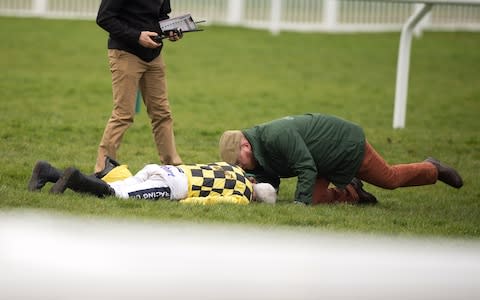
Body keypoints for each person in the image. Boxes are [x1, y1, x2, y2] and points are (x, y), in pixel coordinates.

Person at [218, 113, 463, 205]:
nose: (241, 168)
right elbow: (269, 178)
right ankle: (353, 192)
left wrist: (299, 205)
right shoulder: (257, 151)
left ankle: (432, 168)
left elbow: (305, 167)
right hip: (320, 160)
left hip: (343, 144)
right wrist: (254, 191)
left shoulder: (274, 136)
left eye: (239, 162)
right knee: (315, 199)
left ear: (246, 145)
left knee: (390, 179)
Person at [94, 0, 184, 174]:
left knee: (162, 114)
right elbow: (104, 18)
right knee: (123, 114)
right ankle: (102, 170)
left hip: (154, 56)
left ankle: (173, 169)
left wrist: (170, 30)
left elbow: (161, 16)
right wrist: (137, 36)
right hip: (125, 53)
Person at [28, 160, 277, 205]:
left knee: (123, 186)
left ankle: (48, 172)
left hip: (163, 169)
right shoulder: (243, 198)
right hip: (171, 186)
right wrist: (183, 205)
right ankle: (74, 178)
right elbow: (209, 201)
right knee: (116, 195)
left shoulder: (234, 168)